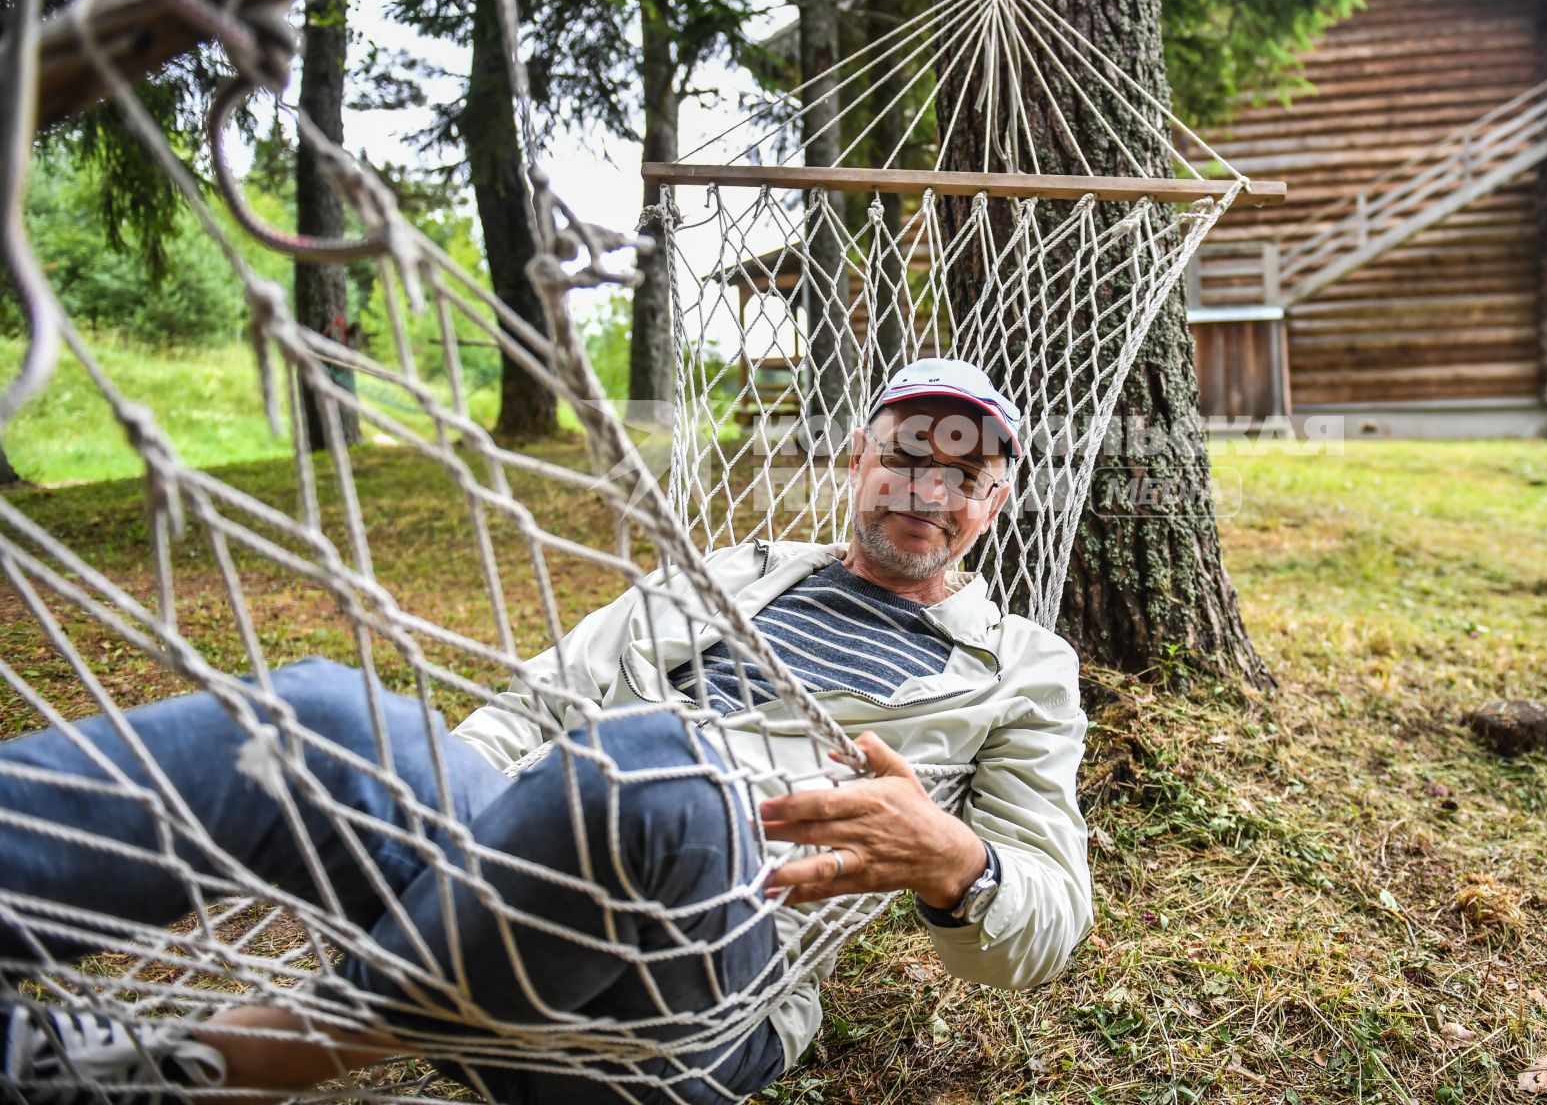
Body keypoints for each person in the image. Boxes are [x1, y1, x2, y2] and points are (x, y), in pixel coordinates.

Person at [0, 358, 1091, 1105]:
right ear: (856, 457)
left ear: (995, 500)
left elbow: (1050, 915)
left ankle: (245, 1051)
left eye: (965, 472)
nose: (927, 488)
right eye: (908, 452)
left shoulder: (1023, 668)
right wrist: (426, 830)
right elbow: (530, 710)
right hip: (517, 896)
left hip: (685, 1015)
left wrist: (956, 859)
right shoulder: (727, 574)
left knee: (668, 770)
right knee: (331, 717)